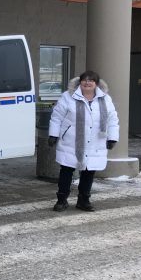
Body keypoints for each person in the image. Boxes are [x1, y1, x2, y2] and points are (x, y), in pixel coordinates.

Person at [48, 70, 119, 212]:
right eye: (85, 80)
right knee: (66, 171)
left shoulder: (105, 99)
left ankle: (83, 200)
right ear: (80, 82)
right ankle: (61, 200)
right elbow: (57, 117)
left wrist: (112, 137)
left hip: (94, 142)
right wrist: (53, 135)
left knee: (88, 172)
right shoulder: (68, 97)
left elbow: (112, 119)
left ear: (96, 84)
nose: (87, 82)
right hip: (71, 141)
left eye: (91, 80)